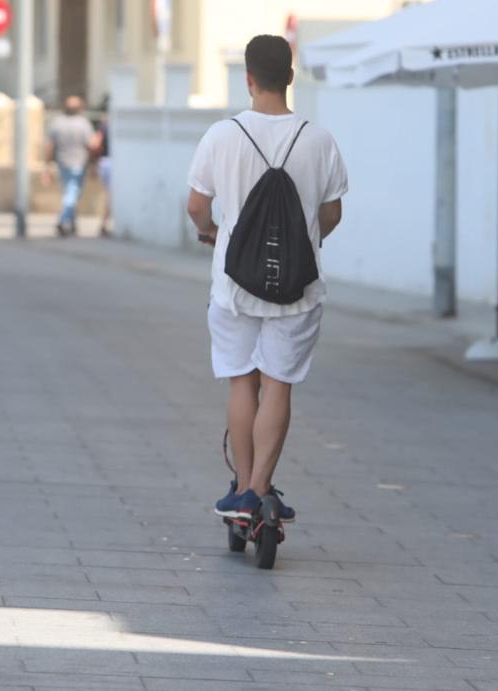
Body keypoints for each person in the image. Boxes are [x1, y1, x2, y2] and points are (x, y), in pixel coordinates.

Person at [186, 35, 348, 521]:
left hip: (234, 285)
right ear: (291, 78)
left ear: (249, 79)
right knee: (278, 384)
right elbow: (332, 213)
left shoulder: (222, 134)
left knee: (242, 383)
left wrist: (214, 232)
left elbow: (197, 206)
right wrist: (303, 242)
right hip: (297, 286)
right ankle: (260, 489)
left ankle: (240, 487)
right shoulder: (319, 140)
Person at [43, 96, 96, 237]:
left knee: (69, 192)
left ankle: (72, 224)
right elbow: (91, 145)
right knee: (72, 193)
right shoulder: (83, 123)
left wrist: (47, 166)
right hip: (78, 163)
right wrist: (93, 163)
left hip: (63, 163)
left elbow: (49, 146)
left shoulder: (57, 122)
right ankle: (62, 220)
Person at [91, 114, 112, 236]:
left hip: (104, 162)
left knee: (108, 194)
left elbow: (95, 144)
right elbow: (95, 143)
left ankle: (104, 223)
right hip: (110, 162)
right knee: (109, 195)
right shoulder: (109, 126)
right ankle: (104, 224)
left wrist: (93, 162)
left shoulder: (104, 127)